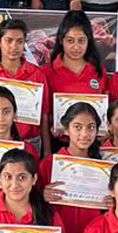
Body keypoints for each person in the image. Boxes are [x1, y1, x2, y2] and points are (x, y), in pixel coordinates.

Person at [0, 18, 50, 152]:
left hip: (31, 140)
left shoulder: (37, 73)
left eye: (19, 41)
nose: (14, 46)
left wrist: (47, 151)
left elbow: (44, 115)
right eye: (9, 40)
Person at [40, 103, 106, 233]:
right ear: (66, 130)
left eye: (91, 127)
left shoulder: (103, 167)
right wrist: (41, 196)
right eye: (77, 127)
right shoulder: (49, 164)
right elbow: (31, 204)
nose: (84, 134)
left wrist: (110, 204)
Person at [45, 11, 108, 144]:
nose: (76, 47)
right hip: (59, 142)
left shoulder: (98, 71)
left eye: (81, 41)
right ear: (61, 40)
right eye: (70, 40)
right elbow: (43, 114)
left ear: (89, 41)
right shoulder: (46, 71)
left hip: (90, 143)